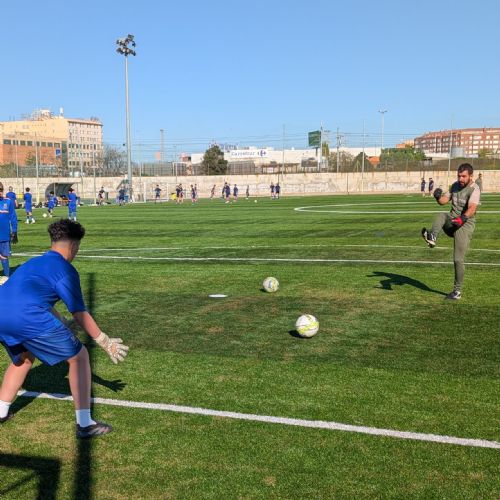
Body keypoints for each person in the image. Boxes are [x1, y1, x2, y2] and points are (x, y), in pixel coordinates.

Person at [0, 219, 129, 437]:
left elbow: (31, 298)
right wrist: (104, 341)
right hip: (26, 317)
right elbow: (79, 312)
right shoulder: (65, 270)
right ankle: (85, 423)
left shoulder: (33, 263)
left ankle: (1, 411)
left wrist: (62, 321)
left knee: (24, 357)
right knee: (80, 357)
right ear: (74, 245)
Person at [421, 163, 480, 300]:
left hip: (465, 225)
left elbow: (472, 208)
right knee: (442, 215)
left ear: (471, 176)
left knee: (458, 259)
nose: (460, 179)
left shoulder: (474, 189)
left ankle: (457, 292)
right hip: (452, 222)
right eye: (459, 176)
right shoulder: (454, 186)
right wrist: (437, 196)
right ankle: (432, 237)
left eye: (463, 176)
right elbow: (443, 201)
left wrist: (463, 218)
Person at [0, 186, 18, 278]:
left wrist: (14, 231)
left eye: (1, 190)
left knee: (4, 256)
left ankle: (7, 277)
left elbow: (13, 217)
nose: (0, 192)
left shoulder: (8, 202)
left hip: (4, 234)